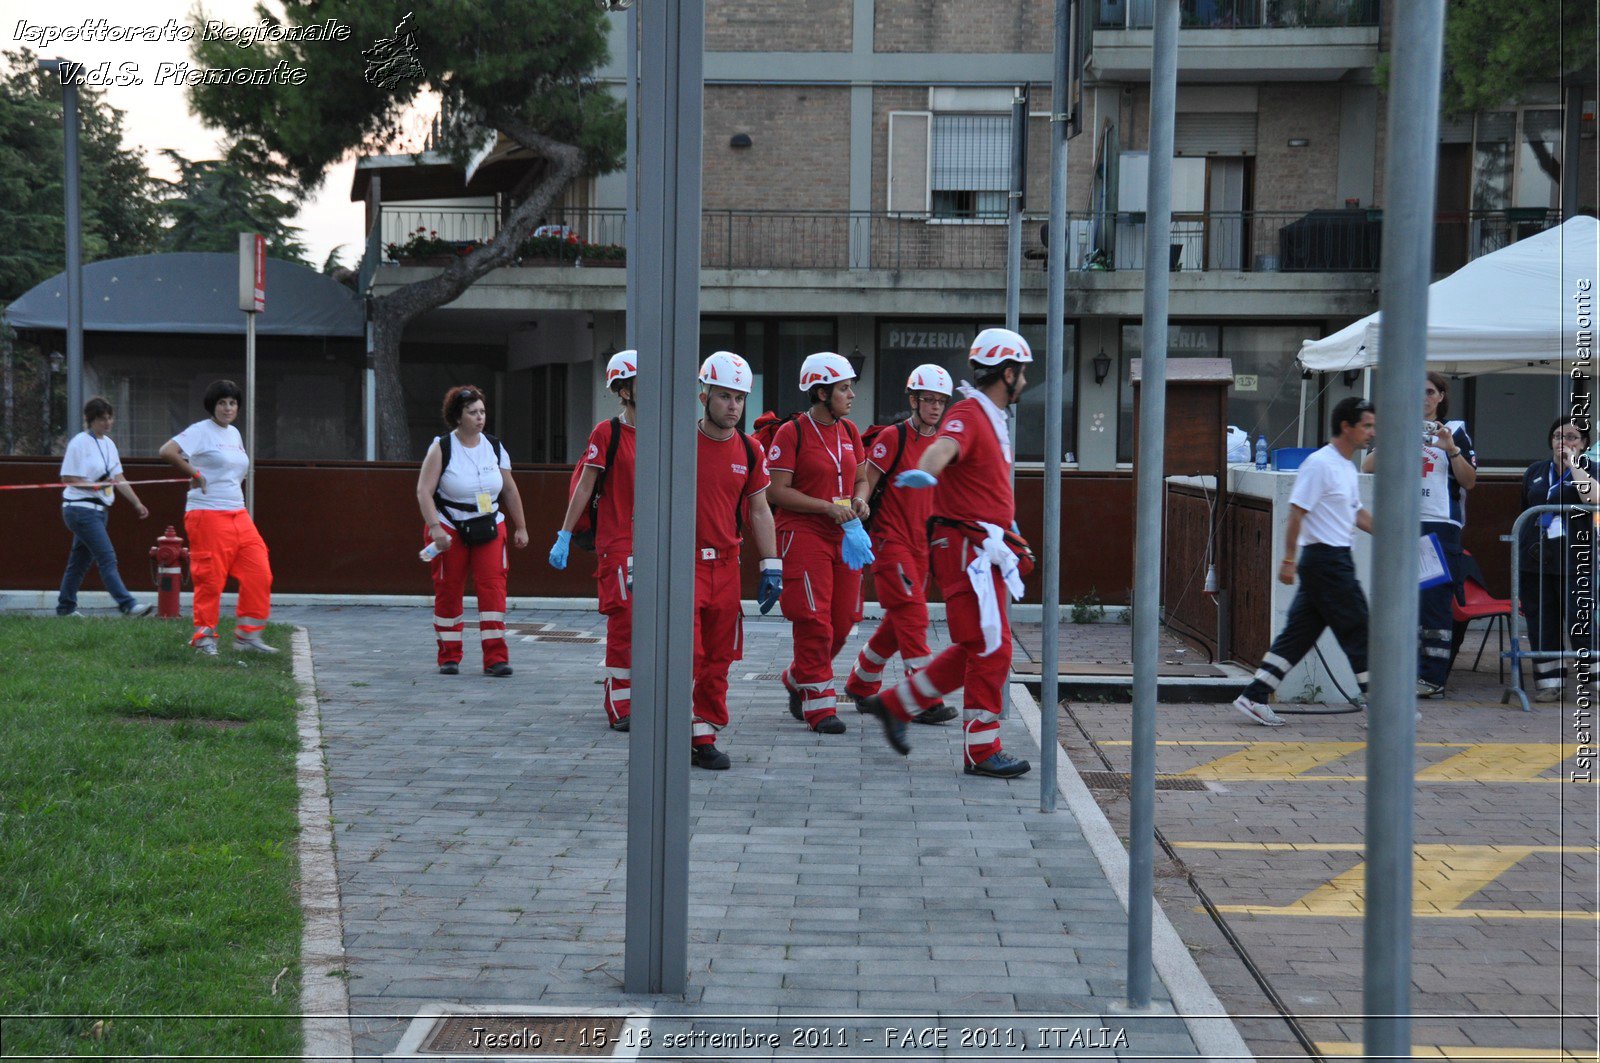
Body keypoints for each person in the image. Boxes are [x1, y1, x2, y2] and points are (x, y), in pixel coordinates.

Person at [857, 328, 1035, 779]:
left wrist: (1010, 530)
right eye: (1023, 373)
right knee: (993, 646)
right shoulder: (972, 412)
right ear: (1008, 373)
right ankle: (982, 747)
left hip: (975, 545)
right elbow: (944, 445)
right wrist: (925, 471)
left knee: (976, 644)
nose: (1026, 382)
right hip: (967, 549)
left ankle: (898, 705)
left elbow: (981, 484)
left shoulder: (989, 416)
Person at [1231, 397, 1376, 726]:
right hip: (1326, 560)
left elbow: (1354, 511)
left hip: (1331, 560)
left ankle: (1254, 695)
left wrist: (1391, 534)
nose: (1372, 432)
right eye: (1366, 425)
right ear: (1346, 427)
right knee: (1358, 628)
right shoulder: (1320, 464)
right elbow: (1298, 510)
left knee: (1300, 633)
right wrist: (1288, 560)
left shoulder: (1345, 466)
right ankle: (1380, 705)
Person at [767, 351, 876, 735]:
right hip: (803, 533)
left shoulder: (849, 431)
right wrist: (826, 508)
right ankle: (819, 706)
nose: (851, 395)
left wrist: (861, 499)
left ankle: (798, 677)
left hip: (843, 535)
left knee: (843, 621)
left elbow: (861, 478)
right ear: (820, 392)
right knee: (814, 619)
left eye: (850, 387)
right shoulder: (791, 433)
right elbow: (777, 493)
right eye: (844, 388)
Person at [842, 364, 956, 724]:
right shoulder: (894, 438)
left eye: (941, 401)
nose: (935, 407)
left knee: (899, 622)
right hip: (891, 543)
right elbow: (866, 483)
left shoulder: (943, 446)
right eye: (929, 400)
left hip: (923, 549)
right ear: (914, 400)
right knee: (914, 616)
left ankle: (860, 684)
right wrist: (854, 519)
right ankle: (922, 697)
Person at [691, 352, 782, 769]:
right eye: (725, 396)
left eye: (740, 398)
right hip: (684, 564)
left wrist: (771, 564)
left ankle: (703, 735)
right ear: (704, 395)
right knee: (686, 654)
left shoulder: (749, 450)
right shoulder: (679, 444)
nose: (733, 406)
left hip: (726, 565)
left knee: (719, 656)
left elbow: (760, 509)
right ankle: (672, 729)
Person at [1362, 371, 1476, 698]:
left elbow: (1469, 481)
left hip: (1438, 524)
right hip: (1402, 524)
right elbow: (1368, 468)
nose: (1423, 398)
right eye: (1417, 391)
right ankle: (1403, 673)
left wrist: (1451, 449)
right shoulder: (1401, 428)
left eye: (1429, 392)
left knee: (1433, 602)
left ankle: (1432, 677)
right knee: (1399, 600)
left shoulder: (1456, 431)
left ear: (1441, 397)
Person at [415, 384, 530, 676]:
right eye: (472, 412)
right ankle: (449, 656)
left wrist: (521, 527)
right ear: (457, 417)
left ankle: (496, 658)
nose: (479, 418)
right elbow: (424, 492)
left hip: (490, 524)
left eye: (482, 411)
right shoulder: (442, 447)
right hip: (450, 526)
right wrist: (435, 528)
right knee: (449, 588)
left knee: (493, 590)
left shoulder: (494, 446)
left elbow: (510, 489)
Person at [550, 351, 638, 730]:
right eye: (641, 381)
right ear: (623, 389)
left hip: (660, 543)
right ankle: (620, 702)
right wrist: (565, 534)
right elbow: (586, 484)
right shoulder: (607, 433)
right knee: (626, 621)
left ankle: (649, 692)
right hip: (617, 542)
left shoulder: (670, 432)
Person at [158, 380, 276, 655]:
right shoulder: (200, 431)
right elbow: (167, 451)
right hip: (207, 513)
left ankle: (247, 638)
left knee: (259, 571)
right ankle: (204, 638)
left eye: (232, 403)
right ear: (213, 405)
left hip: (238, 512)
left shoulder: (234, 434)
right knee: (210, 579)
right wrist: (195, 474)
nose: (228, 408)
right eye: (222, 402)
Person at [1516, 415, 1596, 702]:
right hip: (1536, 559)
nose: (1564, 442)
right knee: (1541, 621)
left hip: (1576, 557)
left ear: (1584, 443)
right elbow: (1527, 505)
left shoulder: (1590, 469)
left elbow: (1593, 499)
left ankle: (1594, 682)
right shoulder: (1536, 471)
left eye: (1572, 437)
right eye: (1559, 436)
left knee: (1580, 618)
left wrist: (1573, 463)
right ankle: (1549, 683)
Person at [56, 396, 154, 617]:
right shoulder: (79, 442)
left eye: (110, 418)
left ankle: (65, 607)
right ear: (91, 420)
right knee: (107, 557)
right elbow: (67, 477)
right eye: (102, 419)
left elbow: (118, 477)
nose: (108, 423)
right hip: (79, 509)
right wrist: (95, 486)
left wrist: (137, 502)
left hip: (100, 511)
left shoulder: (109, 444)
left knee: (79, 562)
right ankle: (127, 604)